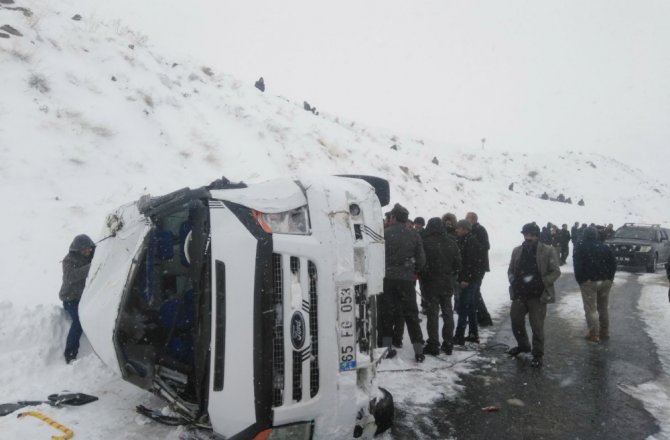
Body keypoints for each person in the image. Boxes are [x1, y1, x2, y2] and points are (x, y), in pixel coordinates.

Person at [507, 223, 561, 368]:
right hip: (519, 294)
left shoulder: (548, 250)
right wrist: (512, 280)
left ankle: (538, 354)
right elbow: (511, 269)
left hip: (537, 296)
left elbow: (555, 272)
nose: (528, 237)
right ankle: (523, 346)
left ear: (537, 235)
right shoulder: (517, 250)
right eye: (526, 234)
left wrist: (542, 282)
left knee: (537, 326)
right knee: (516, 320)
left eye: (531, 234)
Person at [381, 203, 426, 362]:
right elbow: (421, 260)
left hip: (387, 279)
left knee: (386, 313)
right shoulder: (414, 235)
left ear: (393, 217)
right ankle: (418, 351)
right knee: (411, 314)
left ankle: (386, 348)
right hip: (406, 280)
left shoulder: (384, 234)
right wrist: (413, 270)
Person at [419, 218, 462, 355]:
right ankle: (448, 343)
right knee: (448, 313)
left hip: (431, 282)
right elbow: (458, 265)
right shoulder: (451, 243)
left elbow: (421, 263)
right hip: (447, 281)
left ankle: (433, 343)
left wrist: (424, 274)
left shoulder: (425, 243)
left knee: (432, 314)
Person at [573, 227, 617, 342]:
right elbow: (613, 264)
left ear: (584, 235)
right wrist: (610, 278)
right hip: (605, 281)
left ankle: (594, 334)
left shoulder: (580, 246)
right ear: (596, 235)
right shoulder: (604, 247)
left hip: (589, 282)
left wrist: (581, 280)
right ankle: (604, 330)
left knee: (590, 308)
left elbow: (577, 266)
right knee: (603, 307)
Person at [59, 234, 96, 363]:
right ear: (77, 250)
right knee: (79, 321)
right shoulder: (69, 261)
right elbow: (71, 277)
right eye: (84, 249)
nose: (87, 251)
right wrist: (92, 266)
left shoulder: (93, 256)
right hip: (71, 300)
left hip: (85, 297)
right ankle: (70, 353)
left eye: (89, 248)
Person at [454, 220, 485, 345]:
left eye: (459, 228)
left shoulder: (470, 242)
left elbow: (471, 263)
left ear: (465, 229)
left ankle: (459, 336)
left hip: (469, 280)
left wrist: (466, 279)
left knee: (463, 307)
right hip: (472, 279)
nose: (456, 230)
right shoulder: (466, 240)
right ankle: (473, 334)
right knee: (471, 307)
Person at [466, 212, 493, 327]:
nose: (466, 220)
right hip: (473, 266)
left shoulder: (480, 230)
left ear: (473, 219)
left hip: (479, 266)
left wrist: (473, 242)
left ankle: (484, 317)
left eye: (468, 218)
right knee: (474, 292)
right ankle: (480, 316)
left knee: (475, 292)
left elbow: (486, 246)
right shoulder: (471, 230)